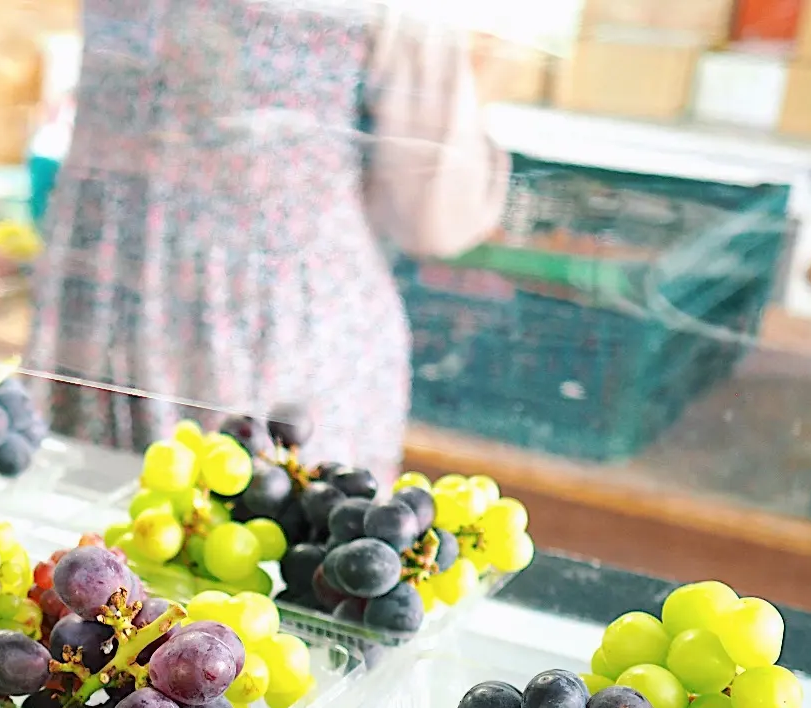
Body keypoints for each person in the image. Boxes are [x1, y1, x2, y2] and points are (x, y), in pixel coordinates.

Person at [26, 0, 509, 479]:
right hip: (264, 324)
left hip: (96, 298)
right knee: (252, 536)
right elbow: (437, 216)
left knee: (89, 536)